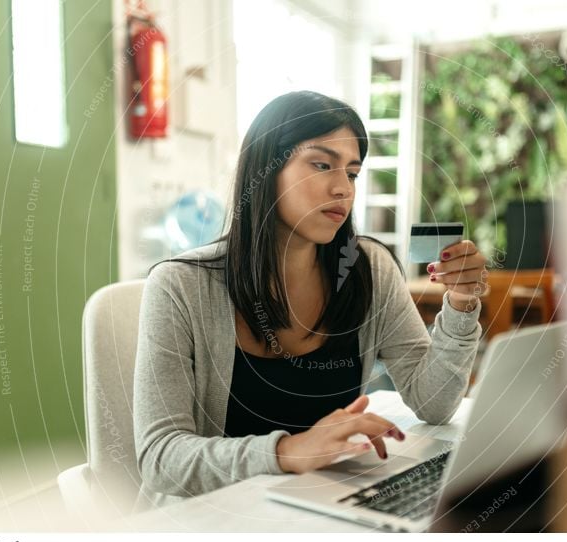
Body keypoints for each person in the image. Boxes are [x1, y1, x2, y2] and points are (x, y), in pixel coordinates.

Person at [133, 91, 488, 509]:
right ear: (264, 172)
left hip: (324, 505)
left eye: (353, 173)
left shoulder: (368, 268)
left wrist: (463, 300)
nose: (342, 189)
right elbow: (160, 458)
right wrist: (290, 451)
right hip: (213, 520)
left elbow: (435, 402)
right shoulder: (179, 286)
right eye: (321, 165)